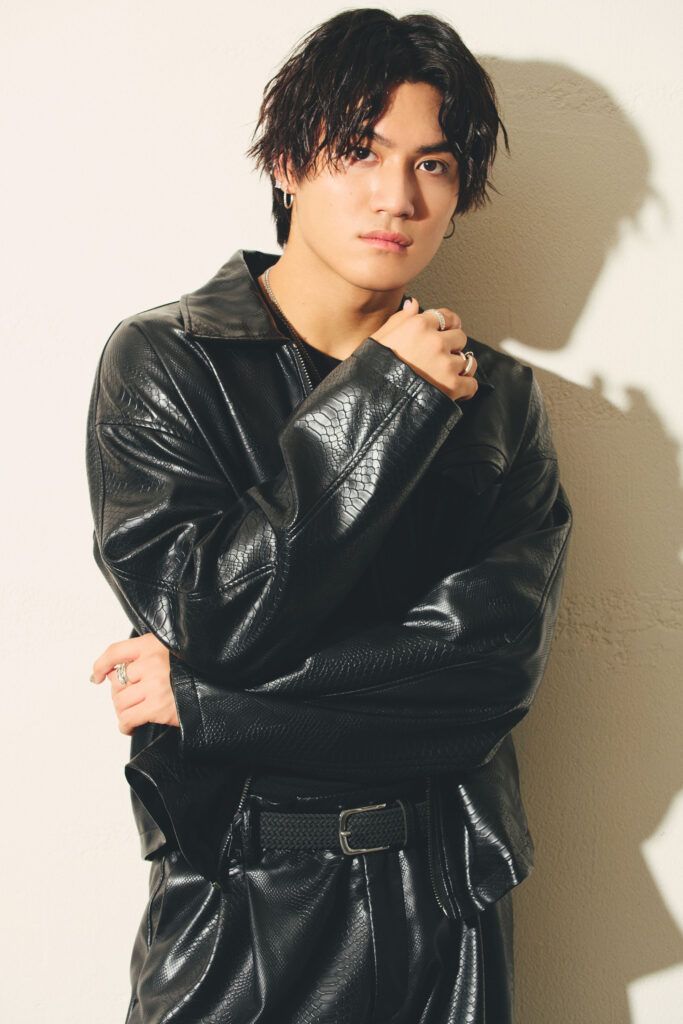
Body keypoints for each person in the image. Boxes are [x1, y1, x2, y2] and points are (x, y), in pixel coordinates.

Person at [85, 9, 573, 1023]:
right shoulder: (168, 363)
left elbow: (485, 676)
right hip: (241, 915)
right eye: (359, 151)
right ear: (286, 160)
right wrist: (388, 398)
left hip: (446, 908)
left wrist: (209, 705)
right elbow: (217, 614)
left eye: (432, 165)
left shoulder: (499, 400)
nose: (397, 197)